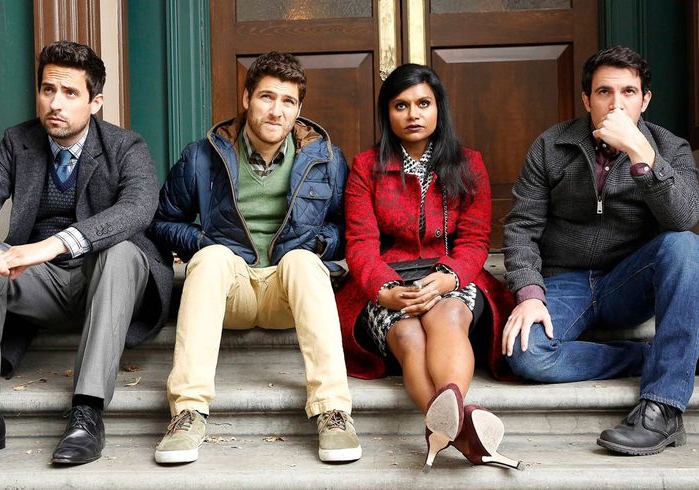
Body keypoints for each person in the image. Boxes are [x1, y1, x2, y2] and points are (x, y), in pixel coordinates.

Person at [0, 41, 173, 464]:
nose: (55, 104)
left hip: (106, 281)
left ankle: (87, 413)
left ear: (95, 102)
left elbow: (137, 208)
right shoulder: (17, 142)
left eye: (70, 93)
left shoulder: (125, 146)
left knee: (122, 252)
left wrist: (50, 245)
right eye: (47, 90)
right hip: (40, 286)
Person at [149, 52, 360, 465]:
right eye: (267, 97)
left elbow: (346, 228)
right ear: (246, 98)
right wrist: (206, 240)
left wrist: (318, 245)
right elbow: (161, 220)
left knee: (302, 261)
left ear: (299, 109)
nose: (276, 110)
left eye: (288, 101)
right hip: (232, 289)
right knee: (210, 258)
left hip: (288, 290)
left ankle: (333, 411)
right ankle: (188, 411)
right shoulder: (203, 156)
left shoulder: (325, 160)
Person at [502, 45, 699, 456]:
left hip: (630, 281)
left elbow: (683, 217)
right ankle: (648, 356)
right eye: (605, 92)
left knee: (684, 246)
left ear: (645, 100)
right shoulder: (551, 146)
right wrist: (529, 293)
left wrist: (640, 154)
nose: (616, 103)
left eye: (629, 92)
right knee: (526, 355)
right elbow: (521, 228)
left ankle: (662, 408)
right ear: (587, 99)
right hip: (565, 281)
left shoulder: (669, 147)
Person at [336, 63, 521, 471]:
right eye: (401, 105)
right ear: (387, 113)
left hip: (449, 272)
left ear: (440, 109)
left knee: (450, 315)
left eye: (423, 103)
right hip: (387, 279)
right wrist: (384, 288)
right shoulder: (366, 167)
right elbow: (361, 244)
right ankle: (462, 431)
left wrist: (450, 276)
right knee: (408, 336)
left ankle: (444, 426)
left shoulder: (469, 164)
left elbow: (474, 241)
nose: (413, 114)